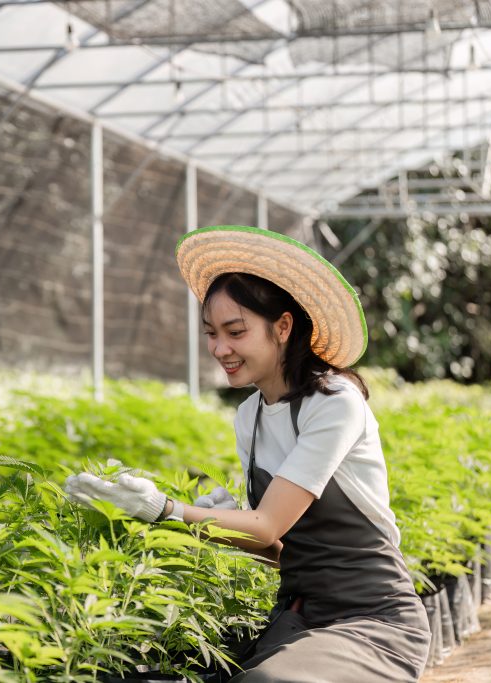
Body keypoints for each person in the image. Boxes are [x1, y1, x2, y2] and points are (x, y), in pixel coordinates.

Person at [65, 225, 431, 682]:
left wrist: (167, 510)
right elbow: (274, 548)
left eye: (235, 331)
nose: (220, 349)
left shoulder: (335, 402)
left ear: (282, 326)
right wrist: (208, 521)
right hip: (301, 617)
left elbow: (268, 524)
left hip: (371, 622)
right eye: (212, 333)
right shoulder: (251, 417)